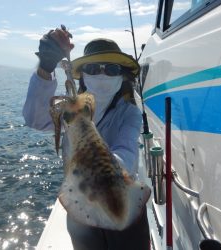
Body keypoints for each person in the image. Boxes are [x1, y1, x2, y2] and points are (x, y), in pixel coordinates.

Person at [23, 27, 150, 250]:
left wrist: (85, 138)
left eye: (111, 69)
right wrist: (45, 68)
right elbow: (35, 119)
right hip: (82, 206)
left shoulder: (129, 112)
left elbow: (126, 157)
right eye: (93, 68)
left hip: (122, 203)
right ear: (84, 75)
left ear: (122, 77)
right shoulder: (72, 108)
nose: (102, 75)